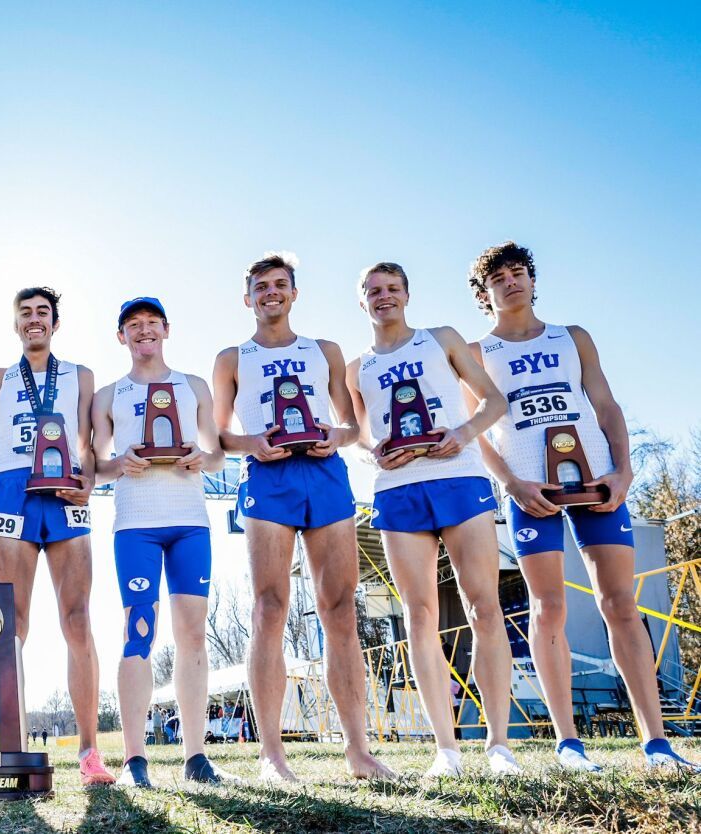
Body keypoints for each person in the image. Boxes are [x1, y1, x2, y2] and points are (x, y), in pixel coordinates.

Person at [469, 241, 697, 772]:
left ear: (532, 279)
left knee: (620, 603)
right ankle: (569, 744)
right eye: (498, 277)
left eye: (519, 272)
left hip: (596, 481)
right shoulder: (480, 353)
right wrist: (512, 483)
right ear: (486, 292)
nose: (511, 282)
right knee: (548, 607)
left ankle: (658, 745)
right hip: (532, 490)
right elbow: (476, 431)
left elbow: (607, 404)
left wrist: (624, 470)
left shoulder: (572, 338)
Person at [211, 252, 392, 783]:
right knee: (270, 607)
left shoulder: (324, 350)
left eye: (280, 284)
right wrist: (253, 443)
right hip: (268, 477)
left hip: (325, 473)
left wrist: (337, 435)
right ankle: (272, 755)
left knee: (339, 609)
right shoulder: (231, 358)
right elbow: (218, 434)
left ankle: (358, 750)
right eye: (261, 286)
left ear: (294, 293)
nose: (271, 292)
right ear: (248, 298)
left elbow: (352, 425)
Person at [345, 262, 517, 777]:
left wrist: (463, 435)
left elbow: (493, 400)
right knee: (420, 615)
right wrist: (375, 450)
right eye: (373, 290)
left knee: (483, 605)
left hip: (460, 478)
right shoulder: (357, 368)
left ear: (407, 294)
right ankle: (446, 749)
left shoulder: (441, 338)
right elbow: (355, 432)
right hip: (399, 490)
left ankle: (499, 746)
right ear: (362, 302)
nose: (384, 297)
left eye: (393, 288)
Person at [91, 297, 226, 787]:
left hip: (190, 521)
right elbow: (96, 466)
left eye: (151, 323)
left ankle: (196, 756)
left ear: (166, 329)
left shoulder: (192, 386)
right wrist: (119, 464)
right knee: (139, 631)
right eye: (133, 325)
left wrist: (199, 456)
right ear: (121, 336)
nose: (143, 331)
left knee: (193, 634)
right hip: (135, 525)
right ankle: (134, 761)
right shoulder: (108, 395)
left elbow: (216, 456)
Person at [0, 287, 115, 786]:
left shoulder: (81, 375)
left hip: (64, 490)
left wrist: (92, 478)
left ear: (55, 323)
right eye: (25, 314)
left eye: (42, 313)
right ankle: (10, 744)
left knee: (78, 619)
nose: (34, 320)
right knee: (11, 622)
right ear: (15, 324)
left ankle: (89, 751)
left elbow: (92, 444)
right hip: (12, 486)